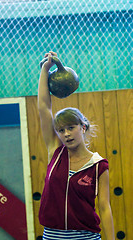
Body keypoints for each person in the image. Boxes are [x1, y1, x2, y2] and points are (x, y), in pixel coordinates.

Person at [38, 51, 115, 240]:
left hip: (86, 236)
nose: (66, 134)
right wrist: (45, 71)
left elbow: (104, 208)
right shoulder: (55, 152)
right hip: (52, 236)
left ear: (83, 127)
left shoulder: (99, 165)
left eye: (71, 128)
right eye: (61, 130)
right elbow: (43, 107)